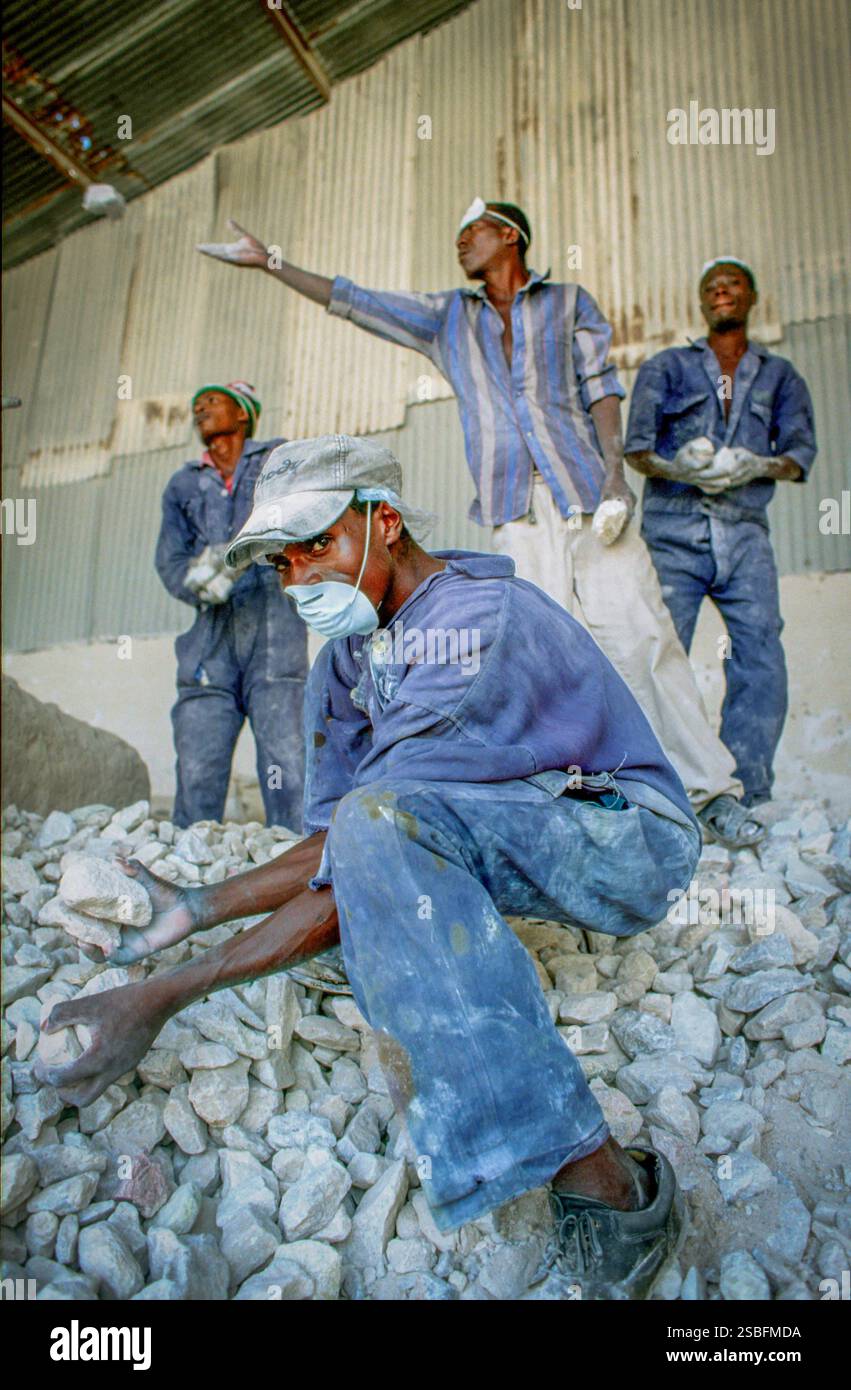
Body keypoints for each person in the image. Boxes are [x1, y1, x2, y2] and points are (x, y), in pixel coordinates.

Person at [40, 434, 703, 1300]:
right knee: (380, 831)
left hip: (623, 840)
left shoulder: (468, 632)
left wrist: (164, 992)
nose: (297, 580)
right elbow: (339, 856)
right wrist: (193, 906)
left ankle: (608, 1187)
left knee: (385, 829)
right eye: (281, 562)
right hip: (507, 819)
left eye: (316, 545)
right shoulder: (348, 660)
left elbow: (367, 843)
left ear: (383, 520)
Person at [195, 206, 762, 851]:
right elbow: (356, 302)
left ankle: (712, 793)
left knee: (645, 641)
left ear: (510, 236)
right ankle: (603, 803)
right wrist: (268, 258)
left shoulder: (569, 302)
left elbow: (603, 391)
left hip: (587, 496)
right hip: (515, 510)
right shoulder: (449, 320)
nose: (461, 240)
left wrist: (614, 480)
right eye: (459, 233)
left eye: (475, 230)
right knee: (543, 663)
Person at [625, 258, 817, 806]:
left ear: (752, 297)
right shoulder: (666, 367)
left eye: (731, 284)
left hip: (745, 535)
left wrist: (757, 464)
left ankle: (746, 791)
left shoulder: (780, 376)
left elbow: (799, 457)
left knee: (759, 657)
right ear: (701, 302)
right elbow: (637, 450)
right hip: (673, 533)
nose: (720, 291)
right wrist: (677, 466)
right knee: (659, 656)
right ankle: (658, 792)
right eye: (710, 286)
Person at [155, 381, 307, 829]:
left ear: (243, 413)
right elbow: (170, 560)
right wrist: (202, 581)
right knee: (198, 761)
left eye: (212, 402)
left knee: (289, 762)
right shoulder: (184, 483)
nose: (200, 410)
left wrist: (252, 554)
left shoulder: (278, 460)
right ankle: (191, 865)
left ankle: (294, 863)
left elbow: (302, 521)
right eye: (196, 406)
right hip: (210, 643)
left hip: (275, 633)